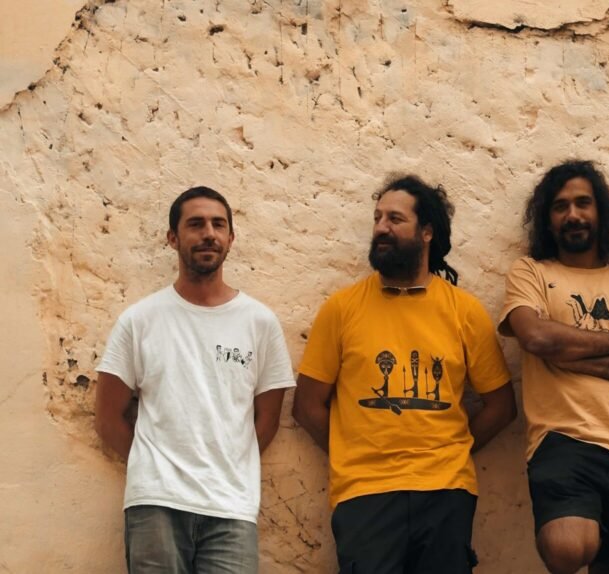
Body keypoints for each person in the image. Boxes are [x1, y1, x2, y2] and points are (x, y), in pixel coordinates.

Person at [292, 175, 516, 574]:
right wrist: (352, 455)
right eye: (377, 218)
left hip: (446, 490)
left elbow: (501, 406)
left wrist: (454, 451)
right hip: (364, 492)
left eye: (395, 219)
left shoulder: (464, 311)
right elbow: (307, 406)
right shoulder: (342, 309)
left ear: (427, 232)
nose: (381, 227)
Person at [94, 186, 295, 573]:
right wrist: (155, 469)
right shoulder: (140, 320)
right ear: (173, 238)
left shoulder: (259, 323)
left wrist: (228, 466)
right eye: (196, 224)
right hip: (156, 504)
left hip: (231, 508)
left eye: (219, 225)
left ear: (231, 238)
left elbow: (267, 420)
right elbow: (107, 419)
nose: (209, 234)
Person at [499, 160, 609, 574]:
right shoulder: (532, 272)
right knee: (566, 548)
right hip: (564, 439)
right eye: (560, 206)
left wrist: (570, 355)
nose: (573, 214)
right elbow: (536, 337)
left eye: (583, 203)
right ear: (548, 219)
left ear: (601, 212)